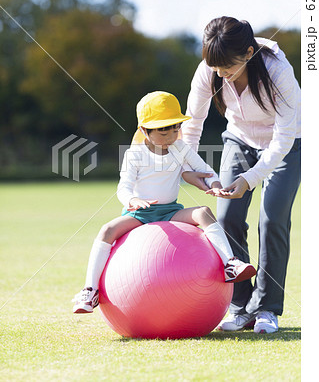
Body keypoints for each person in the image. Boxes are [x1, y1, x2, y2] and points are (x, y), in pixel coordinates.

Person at [73, 91, 256, 314]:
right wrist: (133, 200)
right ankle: (90, 290)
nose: (170, 135)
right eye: (162, 130)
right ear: (144, 131)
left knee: (203, 212)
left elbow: (205, 171)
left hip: (170, 211)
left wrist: (216, 184)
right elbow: (123, 187)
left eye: (175, 128)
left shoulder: (180, 148)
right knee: (107, 230)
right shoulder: (135, 155)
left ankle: (230, 264)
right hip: (140, 214)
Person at [181, 16, 301, 334]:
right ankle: (241, 307)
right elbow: (192, 124)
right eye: (216, 67)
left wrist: (250, 178)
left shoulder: (277, 71)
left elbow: (284, 137)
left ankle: (267, 308)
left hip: (286, 145)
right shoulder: (210, 69)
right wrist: (192, 168)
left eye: (228, 68)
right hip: (239, 140)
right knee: (227, 217)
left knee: (272, 219)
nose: (221, 74)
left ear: (248, 53)